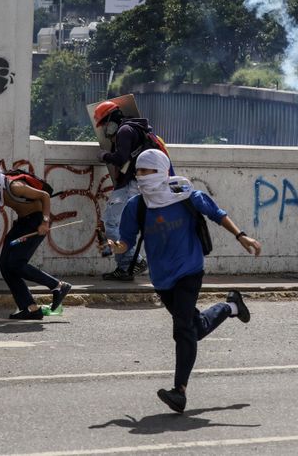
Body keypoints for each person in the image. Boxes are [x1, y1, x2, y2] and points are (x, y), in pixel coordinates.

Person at [104, 149, 262, 413]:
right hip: (161, 277)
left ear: (162, 171)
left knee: (182, 329)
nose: (141, 177)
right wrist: (116, 247)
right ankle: (231, 307)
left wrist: (241, 236)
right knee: (194, 328)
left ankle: (180, 391)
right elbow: (126, 242)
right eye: (138, 172)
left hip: (189, 268)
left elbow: (217, 213)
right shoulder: (137, 205)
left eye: (146, 171)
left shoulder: (186, 195)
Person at [0, 158, 72, 320]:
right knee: (5, 265)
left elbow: (44, 196)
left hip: (36, 221)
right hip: (22, 223)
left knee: (16, 263)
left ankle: (57, 286)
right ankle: (30, 308)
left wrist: (44, 222)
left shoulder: (14, 187)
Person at [95, 100, 166, 281]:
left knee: (111, 223)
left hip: (130, 184)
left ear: (111, 119)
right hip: (135, 183)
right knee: (119, 225)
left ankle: (132, 262)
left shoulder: (124, 131)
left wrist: (104, 155)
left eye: (104, 124)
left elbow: (120, 158)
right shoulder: (135, 128)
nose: (104, 129)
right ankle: (125, 267)